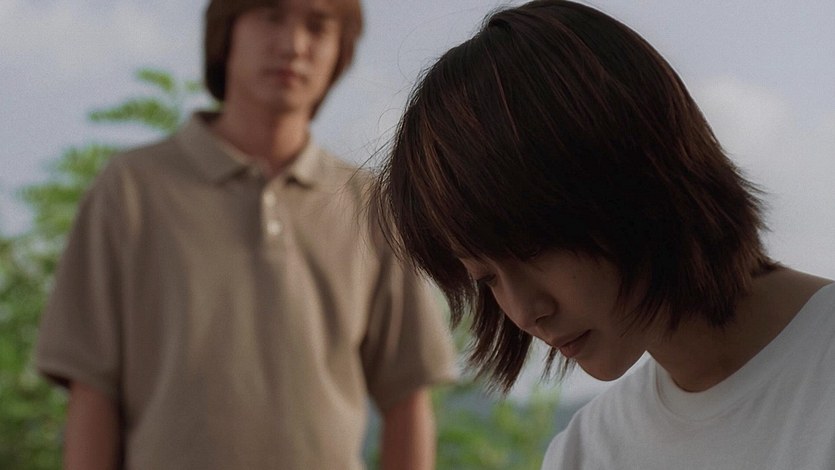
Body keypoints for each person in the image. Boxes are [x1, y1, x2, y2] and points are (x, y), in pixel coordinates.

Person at [369, 1, 835, 468]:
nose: (525, 311)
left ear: (633, 177)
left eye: (534, 250)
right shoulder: (586, 451)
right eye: (486, 278)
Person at [35, 0, 457, 468]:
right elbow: (92, 389)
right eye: (271, 16)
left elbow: (407, 394)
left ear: (340, 50)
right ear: (226, 32)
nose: (293, 45)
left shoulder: (370, 205)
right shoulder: (130, 191)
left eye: (318, 27)